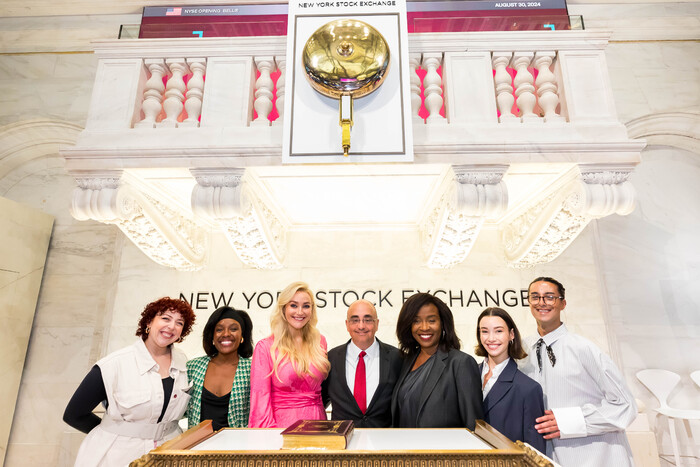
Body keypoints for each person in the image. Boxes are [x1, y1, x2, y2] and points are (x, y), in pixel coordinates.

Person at [63, 297, 196, 466]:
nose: (171, 326)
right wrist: (114, 433)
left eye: (179, 323)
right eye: (165, 318)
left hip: (169, 452)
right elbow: (74, 415)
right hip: (118, 456)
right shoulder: (113, 364)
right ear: (149, 322)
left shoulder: (184, 363)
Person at [520, 276, 637, 466]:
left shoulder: (584, 348)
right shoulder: (522, 349)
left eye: (549, 297)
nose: (542, 302)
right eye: (535, 297)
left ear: (563, 303)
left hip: (594, 455)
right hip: (545, 456)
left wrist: (569, 421)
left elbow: (625, 406)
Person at [391, 292, 483, 429]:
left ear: (443, 324)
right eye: (416, 321)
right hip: (405, 448)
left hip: (444, 449)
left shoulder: (461, 363)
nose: (424, 327)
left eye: (431, 320)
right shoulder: (406, 361)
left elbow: (474, 425)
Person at [249, 282, 330, 428]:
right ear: (283, 308)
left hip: (318, 424)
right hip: (281, 428)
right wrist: (267, 438)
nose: (300, 312)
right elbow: (260, 400)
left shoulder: (320, 342)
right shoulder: (266, 347)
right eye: (293, 305)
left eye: (306, 306)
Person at [475, 307, 546, 453]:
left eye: (499, 331)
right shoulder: (465, 375)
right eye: (484, 331)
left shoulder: (528, 388)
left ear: (511, 334)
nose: (491, 338)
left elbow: (535, 452)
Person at [322, 299, 402, 427]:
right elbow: (320, 401)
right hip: (343, 441)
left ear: (377, 324)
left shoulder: (397, 358)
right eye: (355, 320)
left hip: (385, 441)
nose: (361, 326)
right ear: (347, 325)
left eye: (368, 319)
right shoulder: (331, 358)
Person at [186, 306, 253, 431]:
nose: (226, 334)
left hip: (238, 448)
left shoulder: (252, 369)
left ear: (242, 335)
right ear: (211, 336)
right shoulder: (193, 367)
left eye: (233, 329)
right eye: (219, 329)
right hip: (197, 447)